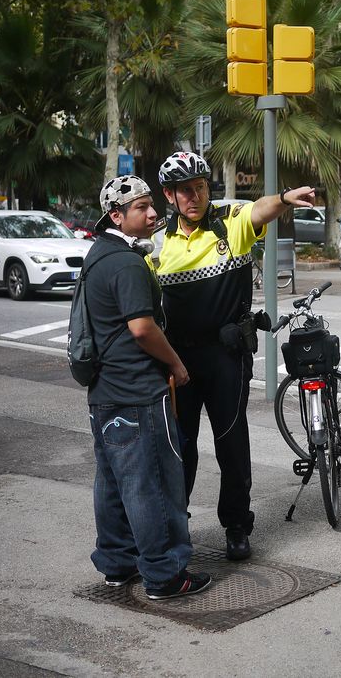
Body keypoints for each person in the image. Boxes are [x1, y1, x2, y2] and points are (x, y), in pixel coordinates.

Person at [155, 151, 314, 561]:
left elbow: (259, 210)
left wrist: (282, 197)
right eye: (185, 190)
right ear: (170, 196)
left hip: (225, 355)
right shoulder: (157, 242)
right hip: (179, 363)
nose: (195, 196)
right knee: (180, 447)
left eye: (201, 187)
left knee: (230, 444)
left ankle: (237, 527)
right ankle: (176, 525)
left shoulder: (229, 219)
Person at [84, 175, 211, 600]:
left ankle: (117, 564)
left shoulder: (98, 255)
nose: (153, 212)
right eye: (141, 207)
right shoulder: (126, 263)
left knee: (114, 482)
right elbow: (142, 328)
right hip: (138, 391)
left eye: (151, 204)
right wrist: (176, 364)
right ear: (116, 215)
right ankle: (165, 574)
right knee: (153, 483)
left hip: (104, 391)